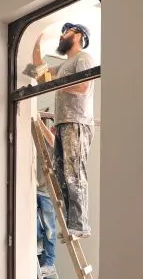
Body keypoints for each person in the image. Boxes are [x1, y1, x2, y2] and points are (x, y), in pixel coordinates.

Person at [30, 22, 95, 238]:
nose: (61, 37)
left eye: (65, 32)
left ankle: (80, 224)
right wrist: (36, 43)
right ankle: (70, 223)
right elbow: (39, 75)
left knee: (74, 172)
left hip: (77, 121)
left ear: (78, 35)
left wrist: (57, 83)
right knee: (62, 175)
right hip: (63, 122)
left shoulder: (83, 58)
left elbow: (83, 87)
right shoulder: (63, 66)